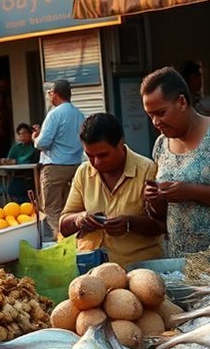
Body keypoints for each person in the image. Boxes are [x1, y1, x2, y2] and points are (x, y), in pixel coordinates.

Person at [141, 67, 210, 256]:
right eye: (150, 115)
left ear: (182, 102)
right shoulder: (161, 145)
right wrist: (154, 199)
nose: (155, 121)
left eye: (161, 112)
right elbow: (162, 215)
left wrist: (191, 191)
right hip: (183, 261)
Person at [59, 113, 165, 267]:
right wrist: (79, 219)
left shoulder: (147, 170)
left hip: (138, 268)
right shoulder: (84, 172)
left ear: (121, 143)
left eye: (103, 155)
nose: (96, 162)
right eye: (89, 156)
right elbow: (63, 224)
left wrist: (130, 223)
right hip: (91, 267)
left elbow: (161, 226)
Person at [33, 79, 86, 238]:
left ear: (55, 94)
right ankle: (75, 238)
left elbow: (43, 143)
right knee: (69, 208)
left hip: (55, 167)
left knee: (52, 209)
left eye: (50, 93)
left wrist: (35, 138)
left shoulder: (54, 114)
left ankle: (62, 239)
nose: (49, 97)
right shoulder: (79, 114)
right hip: (75, 165)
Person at [0, 123, 39, 202]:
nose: (22, 135)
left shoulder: (34, 147)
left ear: (30, 134)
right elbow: (8, 160)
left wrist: (15, 161)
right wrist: (5, 161)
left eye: (24, 133)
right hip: (17, 174)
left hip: (31, 176)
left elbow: (28, 161)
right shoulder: (16, 147)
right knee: (12, 189)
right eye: (20, 134)